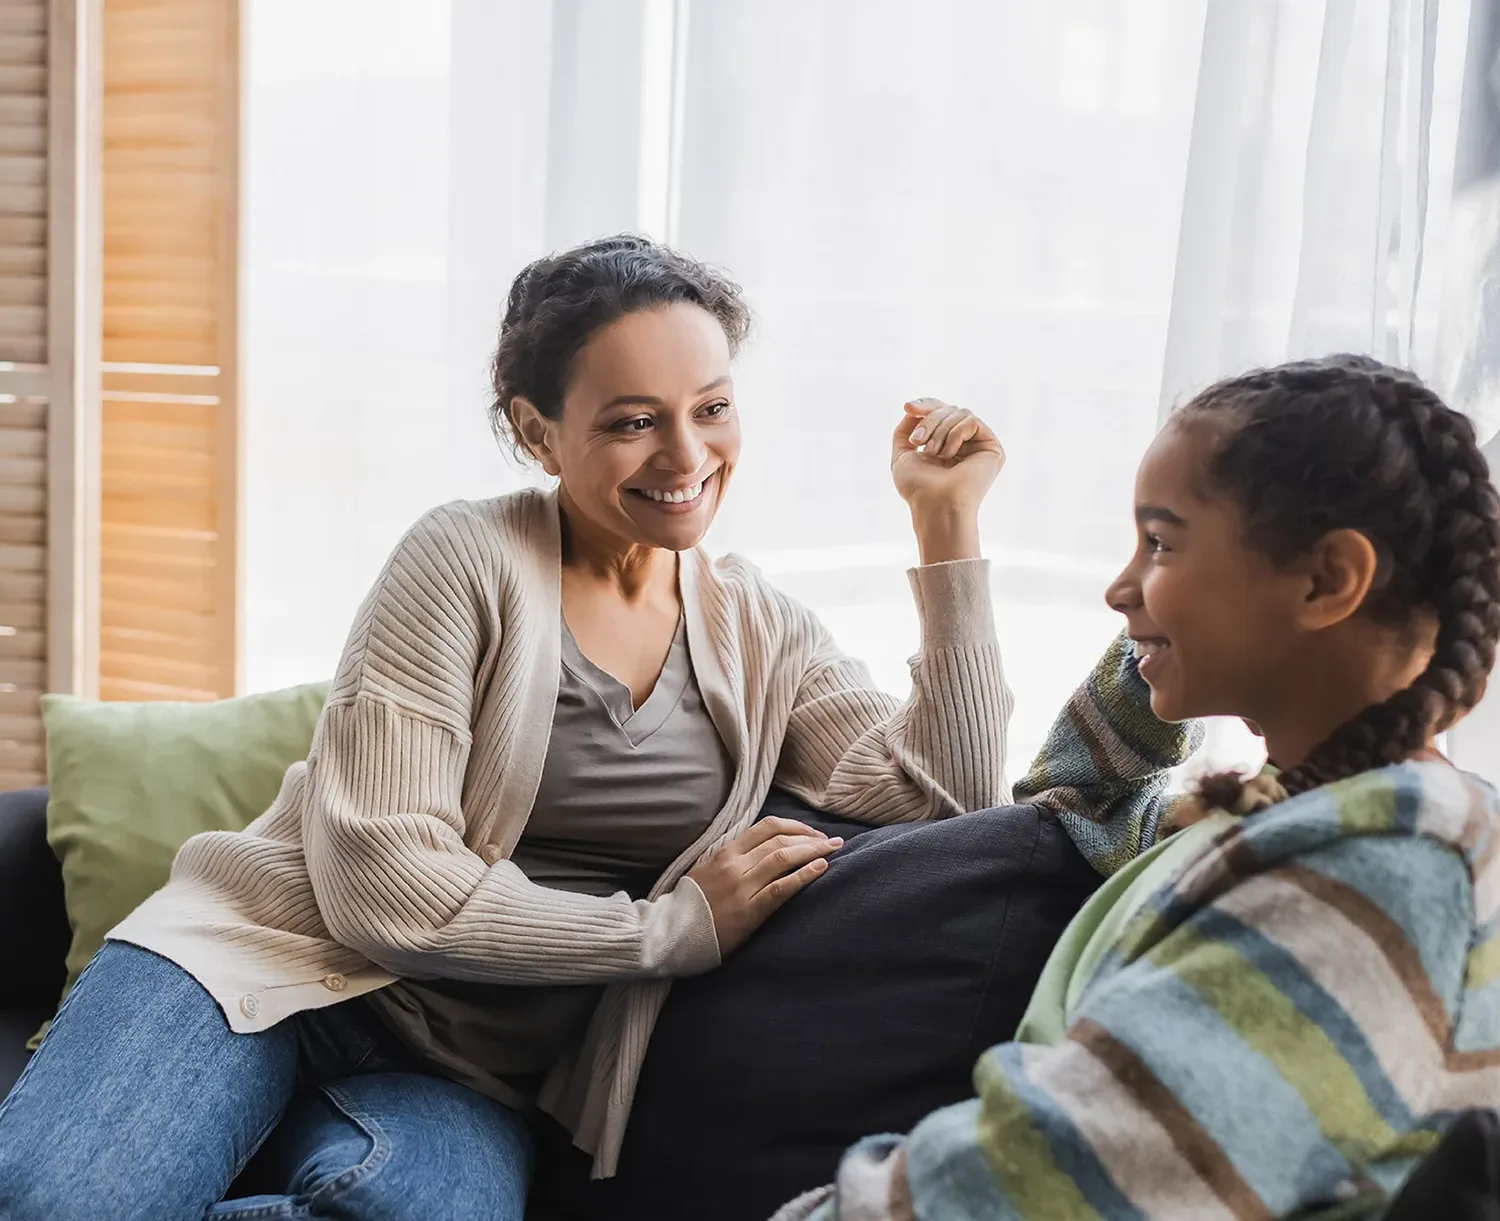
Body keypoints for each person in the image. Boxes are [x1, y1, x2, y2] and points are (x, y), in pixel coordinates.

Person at [0, 234, 1170, 1221]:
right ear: (535, 430)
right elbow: (382, 886)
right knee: (58, 1205)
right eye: (631, 421)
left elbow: (946, 802)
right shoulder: (462, 556)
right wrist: (668, 930)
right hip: (259, 967)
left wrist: (947, 530)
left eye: (712, 409)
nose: (687, 457)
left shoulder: (756, 626)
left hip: (466, 1070)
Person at [773, 354, 1500, 1221]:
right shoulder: (1293, 806)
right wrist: (1154, 645)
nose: (1119, 589)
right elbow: (1069, 805)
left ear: (1325, 579)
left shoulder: (1380, 872)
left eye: (1160, 543)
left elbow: (1051, 1188)